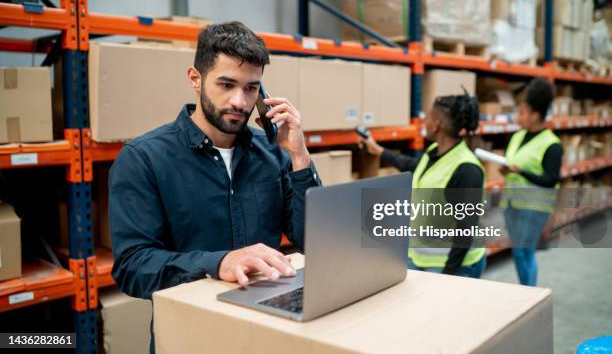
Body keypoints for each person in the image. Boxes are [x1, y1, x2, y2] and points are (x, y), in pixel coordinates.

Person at [110, 22, 321, 300]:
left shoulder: (273, 153)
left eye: (251, 88)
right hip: (194, 329)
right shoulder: (144, 158)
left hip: (267, 317)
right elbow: (132, 267)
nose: (240, 101)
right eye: (226, 84)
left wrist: (299, 156)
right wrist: (219, 263)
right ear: (195, 79)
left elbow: (312, 241)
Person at [360, 92, 486, 277]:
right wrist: (378, 150)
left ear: (437, 124)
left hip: (453, 266)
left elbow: (466, 230)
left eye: (428, 116)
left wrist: (448, 274)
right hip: (421, 258)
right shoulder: (435, 152)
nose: (424, 121)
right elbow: (412, 165)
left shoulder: (466, 169)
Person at [499, 78, 562, 286]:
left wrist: (521, 172)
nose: (519, 116)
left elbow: (551, 180)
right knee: (518, 252)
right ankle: (525, 291)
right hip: (512, 204)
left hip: (533, 208)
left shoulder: (552, 144)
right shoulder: (517, 136)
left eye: (523, 112)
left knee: (524, 253)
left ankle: (530, 294)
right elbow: (515, 164)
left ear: (535, 114)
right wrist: (507, 170)